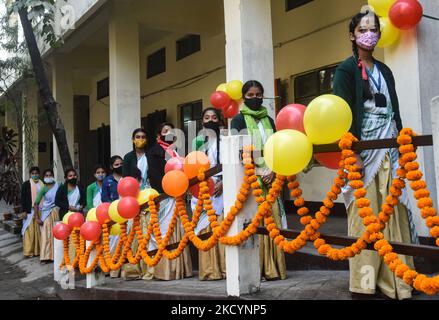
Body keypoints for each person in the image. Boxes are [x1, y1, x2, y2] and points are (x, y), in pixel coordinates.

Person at [333, 10, 417, 300]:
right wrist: (352, 151)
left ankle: (399, 281)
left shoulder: (385, 70)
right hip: (363, 152)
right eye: (363, 29)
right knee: (365, 214)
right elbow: (342, 115)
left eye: (374, 29)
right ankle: (364, 283)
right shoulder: (346, 70)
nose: (369, 34)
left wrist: (402, 144)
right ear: (352, 35)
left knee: (394, 209)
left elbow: (394, 111)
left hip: (390, 148)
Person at [231, 80, 287, 281]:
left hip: (272, 176)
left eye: (258, 95)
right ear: (244, 97)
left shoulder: (269, 120)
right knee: (257, 222)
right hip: (251, 179)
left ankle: (275, 268)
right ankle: (260, 269)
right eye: (250, 95)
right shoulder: (238, 121)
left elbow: (277, 147)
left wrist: (271, 169)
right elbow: (240, 151)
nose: (255, 98)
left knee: (273, 221)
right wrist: (259, 171)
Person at [147, 122, 193, 280]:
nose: (169, 133)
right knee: (166, 230)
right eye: (165, 131)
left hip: (179, 195)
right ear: (159, 135)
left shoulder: (176, 150)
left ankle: (181, 269)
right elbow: (154, 175)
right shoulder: (153, 152)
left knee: (179, 229)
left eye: (171, 131)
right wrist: (168, 189)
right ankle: (166, 270)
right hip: (164, 196)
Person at [191, 108, 226, 280]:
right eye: (207, 117)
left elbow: (232, 164)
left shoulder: (226, 138)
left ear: (219, 120)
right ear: (202, 121)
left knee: (222, 227)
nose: (210, 120)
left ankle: (226, 268)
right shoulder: (197, 141)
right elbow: (193, 166)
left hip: (222, 187)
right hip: (203, 188)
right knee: (204, 228)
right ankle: (209, 269)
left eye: (214, 117)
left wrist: (223, 182)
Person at [33, 169, 59, 263]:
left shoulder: (58, 186)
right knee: (46, 234)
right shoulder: (43, 189)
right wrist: (37, 217)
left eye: (50, 175)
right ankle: (45, 256)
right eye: (46, 175)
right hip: (46, 213)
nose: (48, 177)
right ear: (44, 178)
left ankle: (56, 255)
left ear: (53, 176)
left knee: (57, 234)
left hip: (57, 212)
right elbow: (36, 203)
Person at [21, 166, 44, 257]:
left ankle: (38, 251)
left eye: (36, 173)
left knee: (39, 231)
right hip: (29, 210)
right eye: (33, 173)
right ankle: (28, 251)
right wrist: (24, 211)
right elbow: (23, 198)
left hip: (41, 210)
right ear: (30, 174)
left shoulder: (42, 184)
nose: (35, 175)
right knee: (29, 231)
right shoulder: (26, 184)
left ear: (39, 174)